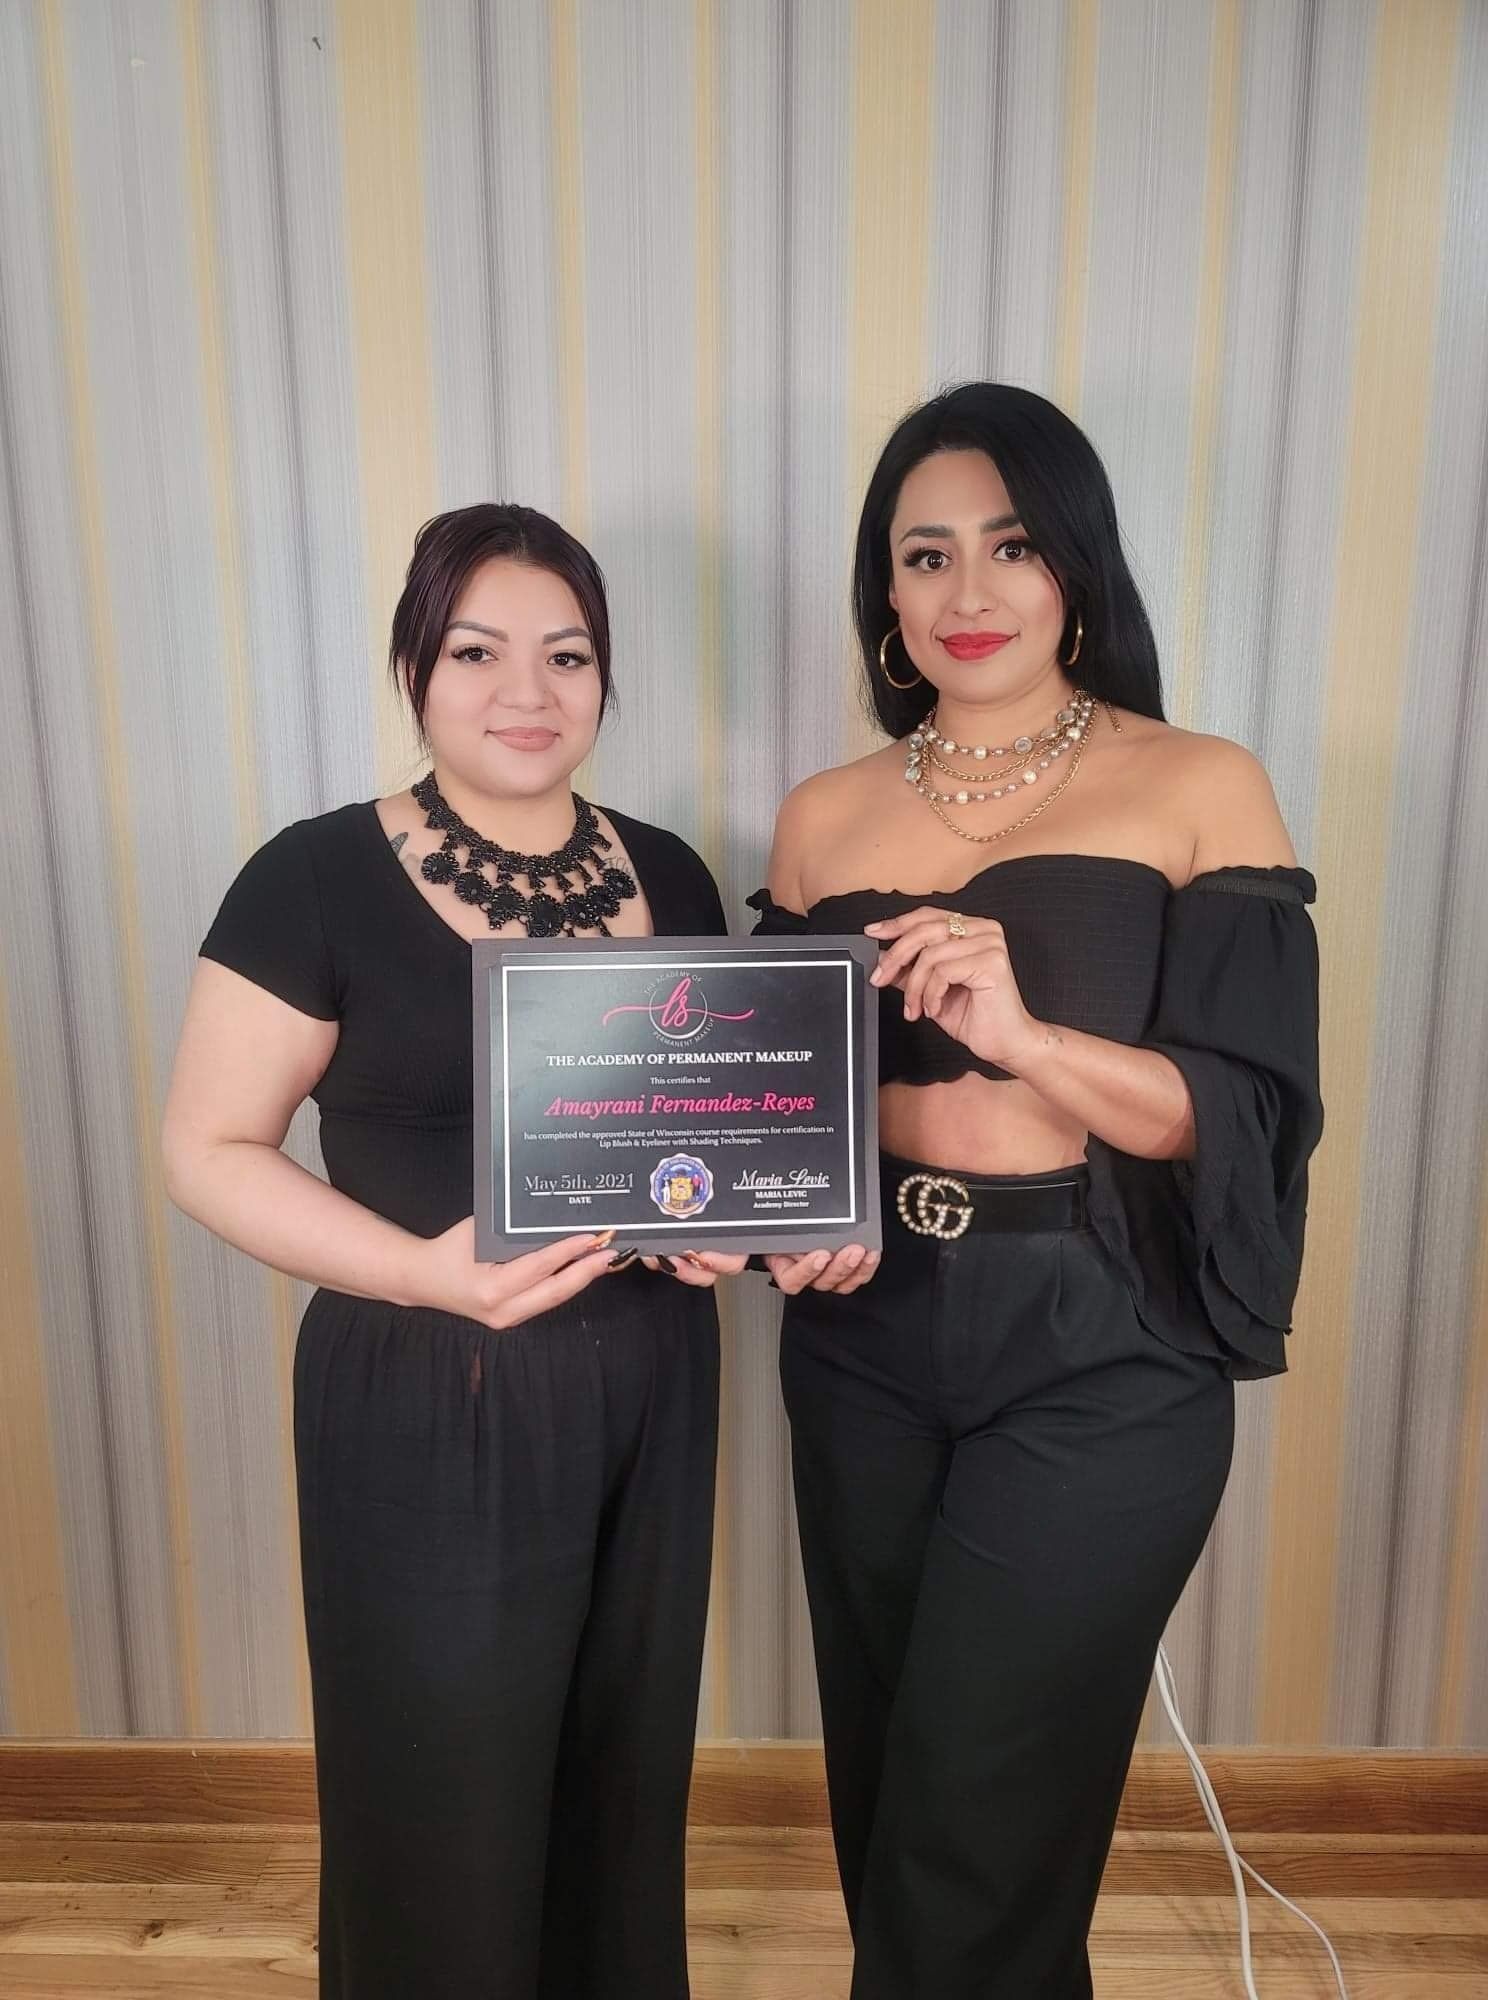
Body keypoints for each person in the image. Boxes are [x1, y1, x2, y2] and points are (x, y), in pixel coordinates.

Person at [748, 384, 1323, 1999]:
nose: (970, 591)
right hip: (866, 1338)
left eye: (1010, 546)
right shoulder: (821, 816)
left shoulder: (1199, 783)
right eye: (925, 555)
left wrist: (1029, 1039)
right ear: (886, 591)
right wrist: (792, 1209)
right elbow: (776, 1099)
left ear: (1076, 562)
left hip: (1102, 1339)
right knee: (894, 1782)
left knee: (980, 1807)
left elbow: (1244, 1115)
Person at [163, 503, 740, 2000]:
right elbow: (206, 1148)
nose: (526, 691)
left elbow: (699, 1127)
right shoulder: (313, 877)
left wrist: (723, 1226)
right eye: (478, 651)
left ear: (605, 676)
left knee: (622, 1767)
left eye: (568, 654)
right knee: (440, 1791)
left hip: (654, 1382)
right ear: (415, 667)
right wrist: (428, 1271)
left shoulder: (673, 874)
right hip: (429, 1384)